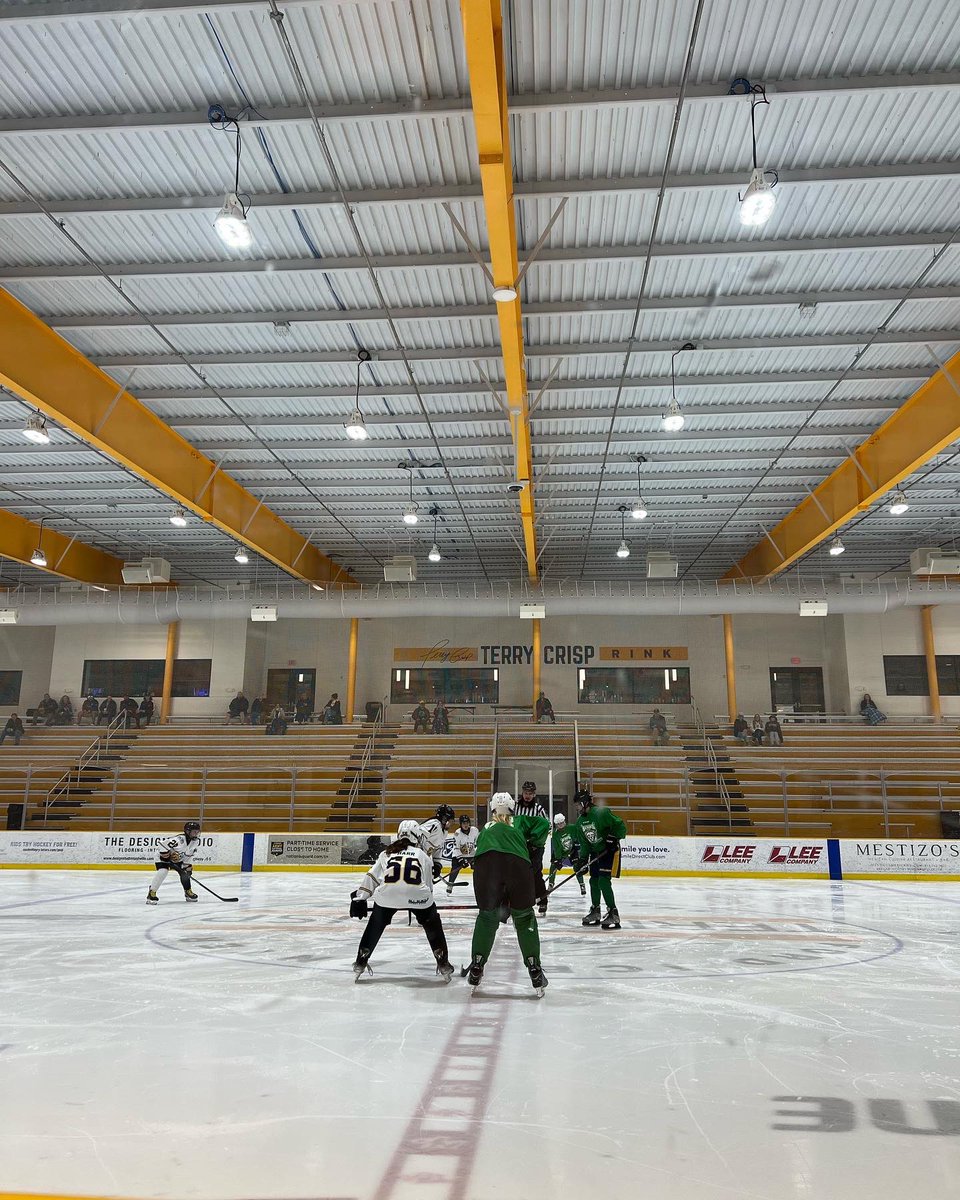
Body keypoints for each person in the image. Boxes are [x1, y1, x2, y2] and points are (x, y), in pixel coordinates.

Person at [465, 792, 550, 995]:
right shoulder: (518, 820)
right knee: (524, 917)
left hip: (486, 865)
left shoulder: (486, 827)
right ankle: (534, 968)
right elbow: (544, 826)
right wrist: (532, 844)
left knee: (487, 917)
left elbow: (481, 850)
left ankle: (477, 964)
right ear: (512, 807)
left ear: (493, 808)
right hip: (517, 865)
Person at [349, 820, 453, 983]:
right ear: (417, 836)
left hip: (387, 896)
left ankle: (361, 960)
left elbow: (372, 877)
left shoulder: (386, 853)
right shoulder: (422, 855)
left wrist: (361, 897)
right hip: (418, 895)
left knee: (375, 924)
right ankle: (442, 961)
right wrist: (426, 909)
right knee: (432, 923)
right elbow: (428, 885)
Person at [575, 788, 627, 930]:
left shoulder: (601, 813)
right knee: (593, 881)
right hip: (595, 853)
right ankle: (595, 910)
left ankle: (613, 912)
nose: (577, 807)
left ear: (585, 802)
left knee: (604, 881)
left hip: (608, 851)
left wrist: (614, 838)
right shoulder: (580, 822)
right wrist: (583, 860)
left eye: (578, 804)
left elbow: (620, 825)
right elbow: (585, 843)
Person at [146, 820, 202, 904]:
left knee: (185, 874)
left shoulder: (195, 842)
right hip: (162, 858)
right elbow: (162, 845)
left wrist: (187, 866)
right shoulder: (179, 840)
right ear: (187, 831)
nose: (196, 834)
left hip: (179, 859)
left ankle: (188, 891)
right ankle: (152, 892)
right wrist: (167, 856)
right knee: (163, 871)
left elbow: (189, 855)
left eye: (197, 832)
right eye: (194, 832)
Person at [516, 780, 549, 914]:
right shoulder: (515, 807)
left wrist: (535, 841)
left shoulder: (539, 809)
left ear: (534, 794)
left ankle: (542, 900)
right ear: (522, 793)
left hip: (535, 848)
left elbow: (546, 826)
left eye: (530, 793)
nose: (527, 796)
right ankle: (520, 900)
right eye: (525, 793)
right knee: (518, 874)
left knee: (535, 873)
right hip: (520, 846)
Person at [548, 812, 587, 897]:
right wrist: (558, 859)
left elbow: (579, 834)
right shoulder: (555, 834)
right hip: (561, 852)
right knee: (553, 865)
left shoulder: (572, 828)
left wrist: (578, 843)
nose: (561, 825)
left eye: (562, 823)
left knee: (577, 866)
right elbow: (557, 847)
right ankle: (551, 884)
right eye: (558, 824)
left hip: (572, 850)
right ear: (556, 824)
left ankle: (582, 885)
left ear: (564, 821)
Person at [418, 803, 455, 881]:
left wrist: (437, 864)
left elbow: (438, 847)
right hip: (416, 859)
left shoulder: (444, 831)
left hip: (423, 859)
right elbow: (418, 835)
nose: (451, 824)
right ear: (445, 818)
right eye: (450, 821)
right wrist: (419, 854)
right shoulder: (434, 823)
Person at [446, 813, 478, 892]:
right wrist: (461, 860)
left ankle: (479, 885)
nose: (466, 825)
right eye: (464, 823)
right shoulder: (457, 833)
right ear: (460, 824)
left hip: (471, 854)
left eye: (467, 822)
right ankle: (450, 884)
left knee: (478, 869)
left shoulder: (475, 830)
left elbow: (477, 843)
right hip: (459, 855)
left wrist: (476, 856)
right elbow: (456, 848)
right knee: (455, 869)